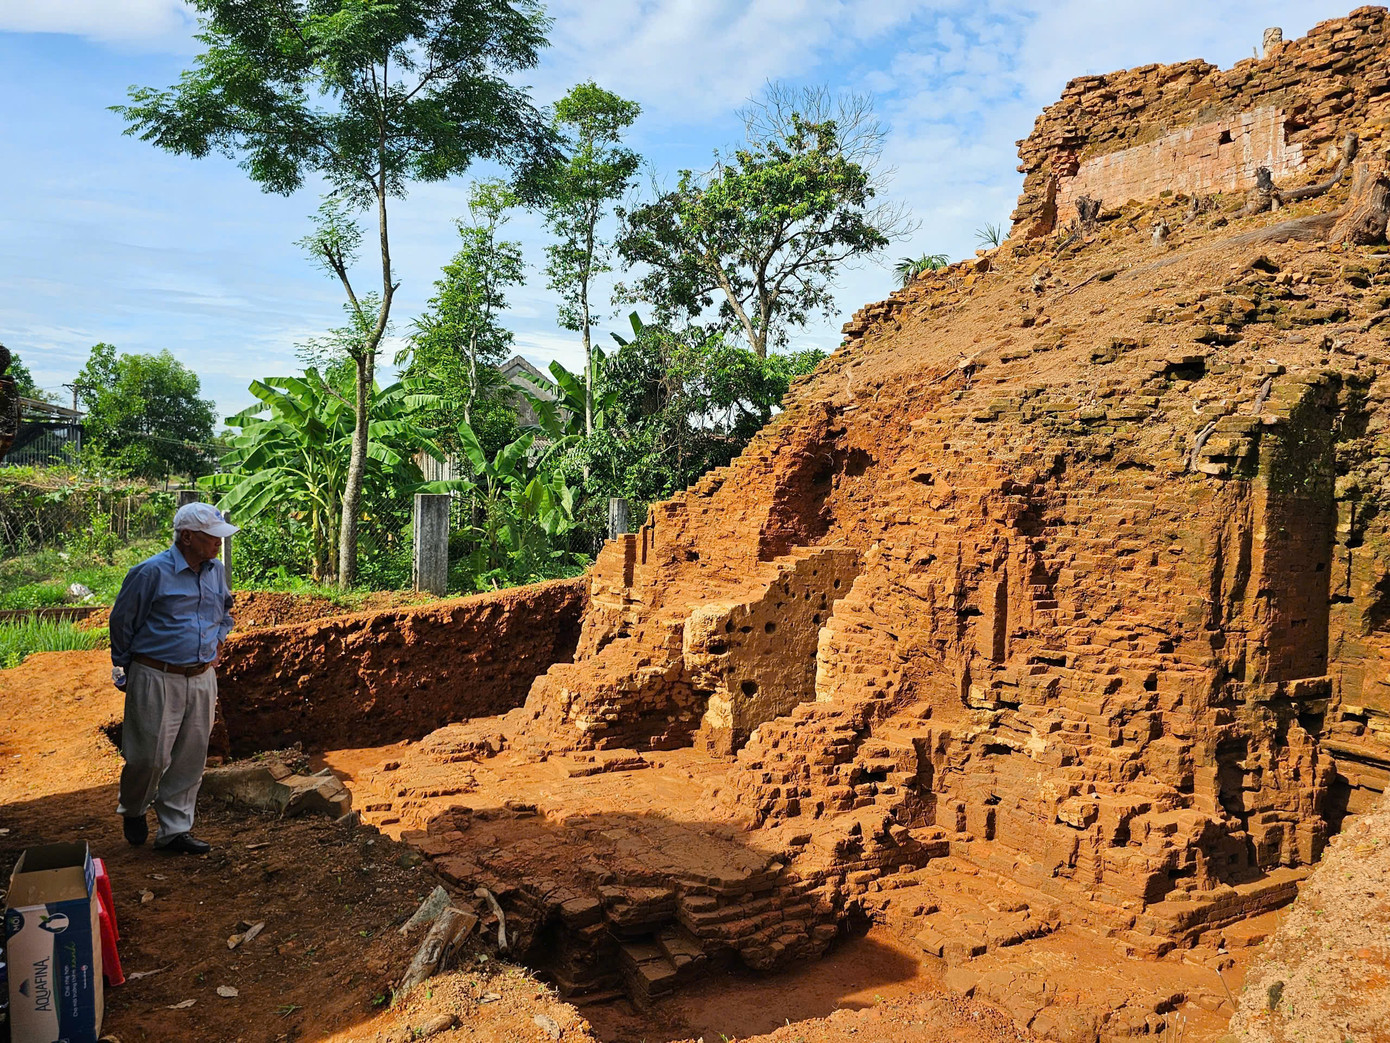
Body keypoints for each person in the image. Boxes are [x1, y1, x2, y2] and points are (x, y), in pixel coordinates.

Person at [109, 502, 237, 854]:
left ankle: (175, 831)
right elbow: (122, 622)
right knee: (148, 757)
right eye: (211, 537)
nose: (217, 544)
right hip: (156, 674)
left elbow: (225, 612)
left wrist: (219, 644)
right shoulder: (149, 573)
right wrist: (126, 667)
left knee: (191, 756)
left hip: (200, 676)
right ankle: (133, 808)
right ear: (187, 537)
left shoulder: (215, 571)